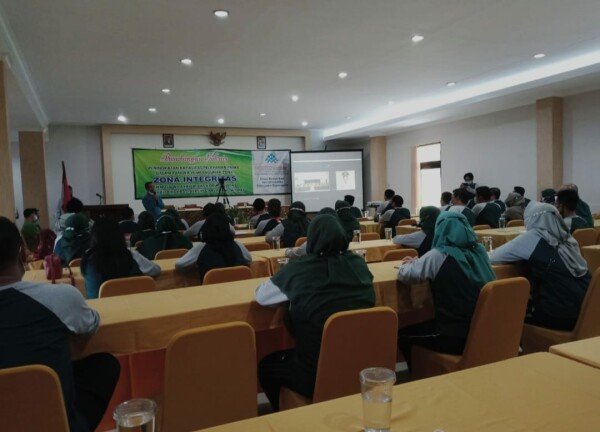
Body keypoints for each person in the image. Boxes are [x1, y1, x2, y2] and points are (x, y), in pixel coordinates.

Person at [0, 217, 120, 432]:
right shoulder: (60, 298)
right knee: (104, 365)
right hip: (58, 424)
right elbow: (91, 323)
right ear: (21, 254)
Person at [255, 214, 375, 411]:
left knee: (266, 367)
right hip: (361, 362)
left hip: (315, 370)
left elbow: (262, 296)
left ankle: (286, 418)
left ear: (310, 240)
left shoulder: (299, 269)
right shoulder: (358, 264)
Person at [397, 212, 496, 370]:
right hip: (484, 330)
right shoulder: (480, 252)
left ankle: (421, 377)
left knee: (403, 335)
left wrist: (410, 264)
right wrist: (421, 261)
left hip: (453, 335)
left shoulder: (439, 255)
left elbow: (405, 275)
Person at [490, 202, 590, 330]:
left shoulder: (533, 237)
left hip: (559, 313)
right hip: (585, 311)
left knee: (508, 316)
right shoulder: (568, 238)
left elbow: (494, 257)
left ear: (532, 219)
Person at [81, 218, 160, 299]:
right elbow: (155, 270)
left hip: (102, 305)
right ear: (119, 235)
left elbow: (93, 296)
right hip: (134, 302)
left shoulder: (89, 260)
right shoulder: (131, 254)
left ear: (94, 237)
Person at [175, 213, 253, 282]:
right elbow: (249, 260)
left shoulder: (201, 247)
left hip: (210, 291)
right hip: (238, 289)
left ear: (206, 229)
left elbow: (179, 265)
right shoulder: (237, 244)